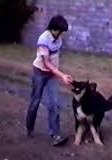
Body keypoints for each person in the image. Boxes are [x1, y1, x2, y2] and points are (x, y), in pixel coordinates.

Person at [25, 15, 73, 146]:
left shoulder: (58, 38)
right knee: (35, 102)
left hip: (52, 74)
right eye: (59, 30)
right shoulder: (43, 39)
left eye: (62, 31)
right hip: (39, 72)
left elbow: (54, 59)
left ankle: (55, 135)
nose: (61, 33)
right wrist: (62, 75)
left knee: (54, 104)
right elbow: (46, 63)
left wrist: (59, 75)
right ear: (53, 28)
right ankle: (29, 128)